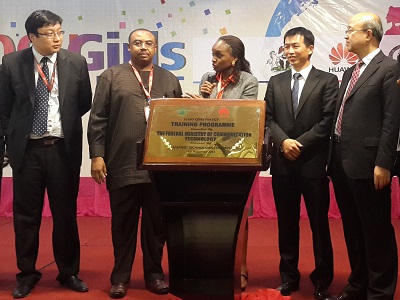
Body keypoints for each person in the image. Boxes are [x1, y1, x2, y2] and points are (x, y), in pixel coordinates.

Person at [0, 10, 92, 299]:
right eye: (50, 33)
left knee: (65, 214)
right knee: (26, 216)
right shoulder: (11, 62)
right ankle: (27, 273)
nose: (57, 38)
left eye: (60, 32)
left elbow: (83, 102)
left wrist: (57, 124)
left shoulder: (75, 62)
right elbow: (4, 108)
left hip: (62, 151)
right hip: (27, 151)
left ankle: (69, 272)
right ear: (31, 37)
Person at [87, 28, 182, 299]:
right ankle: (120, 278)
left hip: (160, 167)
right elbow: (98, 119)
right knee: (123, 226)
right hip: (122, 162)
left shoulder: (168, 78)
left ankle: (154, 275)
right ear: (129, 47)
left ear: (156, 48)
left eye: (148, 43)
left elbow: (179, 119)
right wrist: (97, 155)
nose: (143, 47)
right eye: (137, 43)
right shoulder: (112, 77)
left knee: (156, 227)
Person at [327, 13, 400, 300]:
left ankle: (380, 291)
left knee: (376, 231)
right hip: (342, 162)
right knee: (353, 229)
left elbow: (392, 121)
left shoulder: (390, 68)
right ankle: (357, 285)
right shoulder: (349, 71)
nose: (345, 36)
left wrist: (384, 162)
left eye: (349, 31)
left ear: (368, 34)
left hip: (371, 165)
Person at [265, 27, 338, 299]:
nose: (290, 51)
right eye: (286, 46)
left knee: (319, 223)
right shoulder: (275, 81)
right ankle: (288, 277)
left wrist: (300, 144)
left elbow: (328, 121)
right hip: (283, 164)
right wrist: (284, 142)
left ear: (310, 48)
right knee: (286, 223)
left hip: (314, 164)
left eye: (295, 46)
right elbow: (268, 118)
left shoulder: (328, 80)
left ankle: (322, 280)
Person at [186, 34, 259, 291]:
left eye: (219, 55)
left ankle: (241, 265)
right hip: (207, 153)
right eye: (213, 54)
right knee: (209, 212)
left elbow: (244, 115)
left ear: (234, 58)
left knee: (240, 215)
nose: (214, 59)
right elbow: (203, 120)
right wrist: (202, 101)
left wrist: (210, 105)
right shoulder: (208, 77)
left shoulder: (248, 81)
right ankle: (211, 265)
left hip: (238, 154)